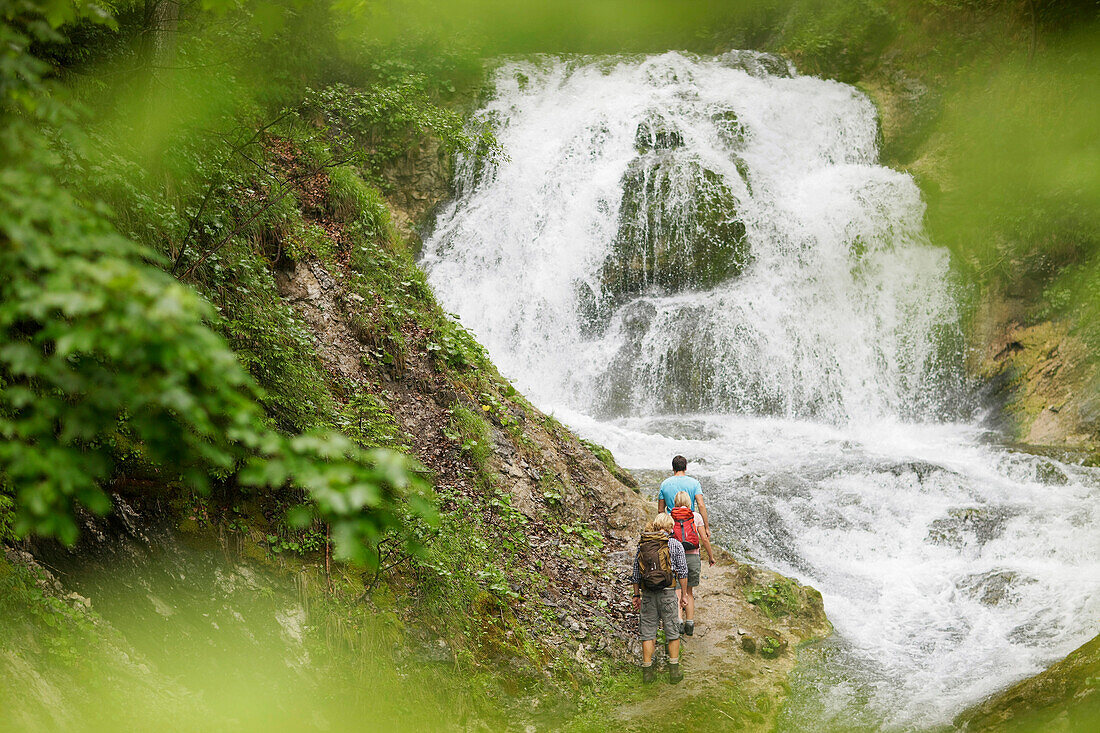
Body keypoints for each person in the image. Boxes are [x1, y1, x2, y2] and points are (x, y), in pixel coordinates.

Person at [632, 513, 689, 684]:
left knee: (648, 632)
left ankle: (648, 672)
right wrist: (684, 594)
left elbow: (635, 574)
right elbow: (683, 572)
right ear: (671, 527)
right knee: (672, 631)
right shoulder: (674, 544)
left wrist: (636, 595)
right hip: (668, 593)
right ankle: (674, 672)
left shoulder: (643, 544)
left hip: (648, 594)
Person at [671, 490, 715, 637]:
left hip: (676, 558)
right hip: (693, 557)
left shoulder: (671, 517)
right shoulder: (695, 516)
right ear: (689, 502)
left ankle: (678, 622)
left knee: (678, 591)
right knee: (689, 591)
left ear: (675, 502)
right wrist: (710, 556)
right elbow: (704, 538)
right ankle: (690, 622)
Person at [657, 455, 710, 535]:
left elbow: (660, 510)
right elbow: (701, 505)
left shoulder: (664, 484)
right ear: (685, 468)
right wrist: (706, 528)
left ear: (673, 468)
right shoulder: (695, 483)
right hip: (689, 524)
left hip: (672, 526)